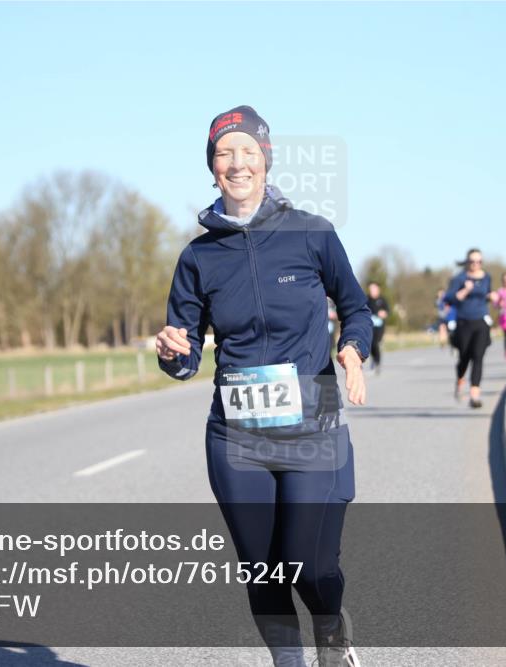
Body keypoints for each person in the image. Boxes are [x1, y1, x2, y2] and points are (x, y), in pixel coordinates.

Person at [156, 106, 368, 667]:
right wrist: (174, 355)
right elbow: (186, 349)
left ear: (266, 160)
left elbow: (356, 308)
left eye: (248, 151)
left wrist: (353, 349)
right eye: (225, 153)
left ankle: (331, 630)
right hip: (236, 435)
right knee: (263, 568)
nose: (237, 163)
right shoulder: (198, 257)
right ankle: (288, 662)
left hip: (313, 425)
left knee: (310, 565)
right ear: (212, 168)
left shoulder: (312, 233)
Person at [445, 248, 497, 408]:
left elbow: (487, 294)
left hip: (481, 321)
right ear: (467, 262)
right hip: (463, 322)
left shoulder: (487, 277)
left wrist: (492, 297)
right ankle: (460, 379)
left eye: (479, 261)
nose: (476, 264)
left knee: (478, 356)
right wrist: (465, 290)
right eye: (472, 261)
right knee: (464, 357)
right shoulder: (459, 278)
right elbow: (450, 298)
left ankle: (475, 395)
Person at [366, 282, 389, 373]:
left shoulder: (382, 300)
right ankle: (374, 359)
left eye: (374, 289)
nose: (372, 291)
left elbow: (387, 311)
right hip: (370, 326)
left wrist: (383, 313)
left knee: (376, 343)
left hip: (380, 327)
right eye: (370, 289)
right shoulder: (366, 299)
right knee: (371, 344)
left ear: (378, 289)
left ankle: (377, 362)